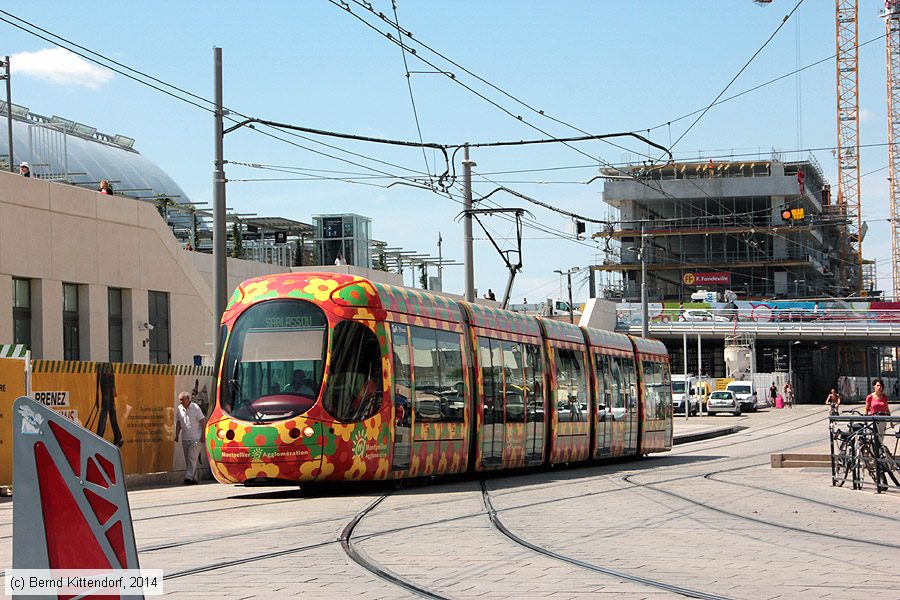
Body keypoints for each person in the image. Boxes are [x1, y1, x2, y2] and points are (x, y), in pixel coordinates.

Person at [174, 391, 206, 485]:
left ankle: (188, 478)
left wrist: (203, 435)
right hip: (185, 437)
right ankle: (194, 478)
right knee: (189, 459)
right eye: (180, 400)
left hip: (196, 437)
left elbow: (203, 421)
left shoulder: (195, 408)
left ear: (188, 399)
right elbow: (179, 422)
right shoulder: (179, 408)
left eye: (182, 400)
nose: (181, 402)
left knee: (192, 457)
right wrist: (176, 435)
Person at [96, 362, 124, 447]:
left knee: (106, 412)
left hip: (107, 386)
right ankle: (118, 437)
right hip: (108, 387)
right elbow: (110, 376)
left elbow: (103, 376)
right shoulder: (104, 365)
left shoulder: (103, 365)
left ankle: (100, 436)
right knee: (110, 413)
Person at [864, 378, 892, 444]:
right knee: (873, 439)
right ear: (874, 386)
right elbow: (866, 409)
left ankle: (879, 453)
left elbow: (887, 409)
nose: (879, 387)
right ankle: (874, 452)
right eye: (877, 385)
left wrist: (891, 421)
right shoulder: (870, 397)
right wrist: (865, 420)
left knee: (881, 439)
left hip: (882, 420)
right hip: (873, 420)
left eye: (881, 386)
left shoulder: (884, 396)